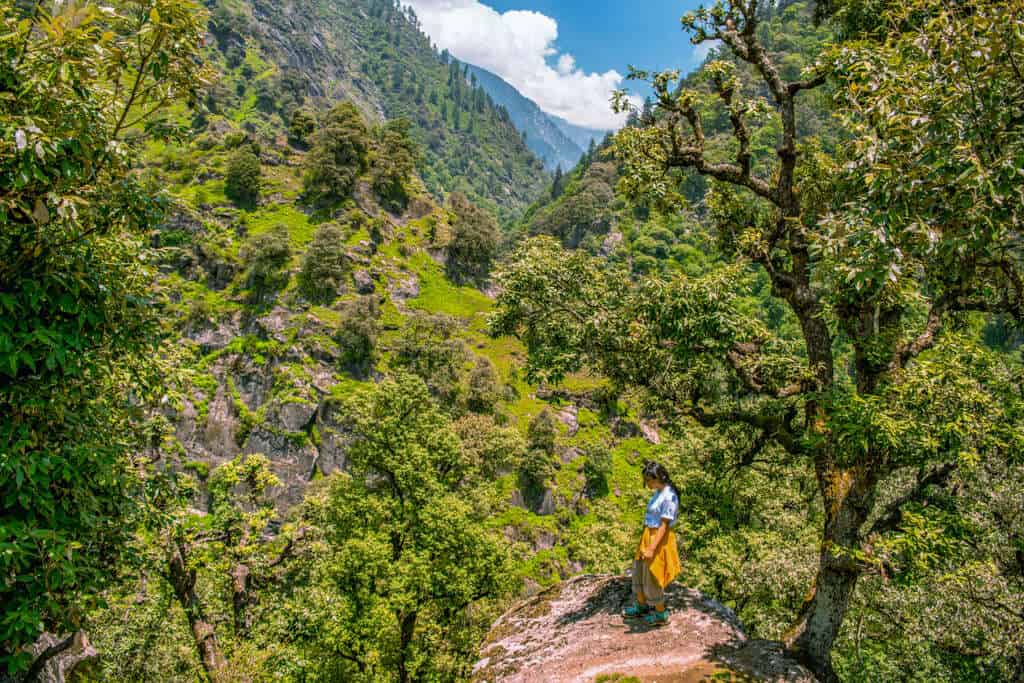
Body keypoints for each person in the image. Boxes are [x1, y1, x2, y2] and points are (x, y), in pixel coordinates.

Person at [622, 460, 681, 625]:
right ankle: (641, 605)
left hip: (658, 538)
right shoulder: (658, 492)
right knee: (639, 570)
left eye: (649, 480)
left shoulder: (669, 497)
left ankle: (661, 614)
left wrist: (652, 548)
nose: (646, 484)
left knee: (652, 575)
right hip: (648, 534)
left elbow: (664, 525)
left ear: (658, 477)